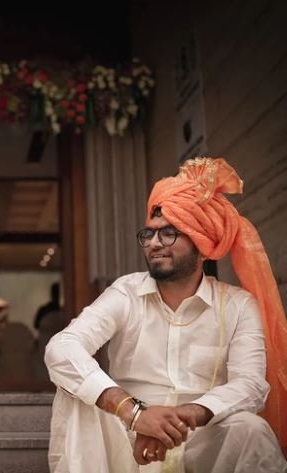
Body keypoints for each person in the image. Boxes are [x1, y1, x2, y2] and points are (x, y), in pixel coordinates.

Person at [45, 158, 287, 473]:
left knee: (250, 430)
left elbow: (251, 384)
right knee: (77, 392)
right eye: (149, 234)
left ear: (202, 244)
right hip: (127, 442)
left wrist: (185, 416)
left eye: (169, 233)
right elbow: (62, 347)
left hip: (200, 440)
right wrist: (135, 413)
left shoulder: (238, 305)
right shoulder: (126, 292)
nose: (154, 244)